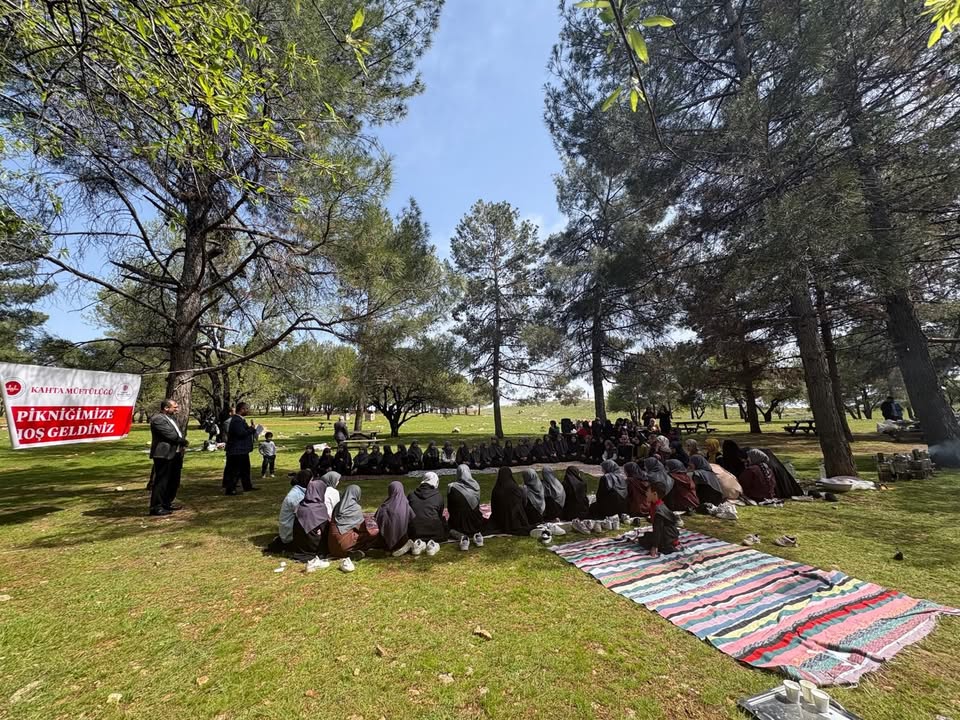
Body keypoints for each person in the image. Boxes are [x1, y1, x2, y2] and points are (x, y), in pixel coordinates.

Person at [148, 399, 188, 516]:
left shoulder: (171, 419)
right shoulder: (158, 419)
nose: (177, 409)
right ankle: (156, 507)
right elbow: (171, 435)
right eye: (174, 407)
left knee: (173, 480)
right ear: (166, 408)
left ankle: (167, 503)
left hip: (175, 454)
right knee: (162, 481)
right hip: (163, 454)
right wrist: (183, 441)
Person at [266, 469, 311, 553]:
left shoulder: (299, 491)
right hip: (289, 535)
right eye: (311, 480)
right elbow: (305, 516)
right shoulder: (296, 496)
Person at [328, 485, 378, 559]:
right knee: (369, 535)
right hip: (344, 544)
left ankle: (350, 553)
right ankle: (354, 550)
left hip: (332, 546)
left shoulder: (337, 506)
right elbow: (362, 528)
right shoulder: (355, 508)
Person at [635, 479, 680, 557]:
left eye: (648, 491)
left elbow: (657, 530)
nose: (646, 493)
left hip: (667, 536)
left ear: (654, 494)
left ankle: (666, 547)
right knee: (645, 535)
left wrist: (654, 546)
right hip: (668, 533)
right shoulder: (657, 504)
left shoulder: (658, 511)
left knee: (644, 540)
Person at [291, 473, 330, 560]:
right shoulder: (319, 508)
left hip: (299, 546)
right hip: (314, 547)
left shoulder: (300, 506)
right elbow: (324, 530)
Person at [223, 402, 257, 495]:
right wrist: (252, 429)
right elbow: (241, 433)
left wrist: (250, 429)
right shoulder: (236, 420)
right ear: (241, 409)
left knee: (245, 470)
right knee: (235, 471)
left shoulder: (240, 420)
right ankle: (230, 489)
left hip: (242, 450)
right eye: (246, 409)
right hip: (236, 450)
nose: (248, 410)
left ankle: (247, 486)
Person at [375, 481, 416, 555]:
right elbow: (412, 521)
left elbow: (378, 521)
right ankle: (401, 546)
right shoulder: (406, 505)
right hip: (402, 540)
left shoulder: (383, 507)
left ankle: (389, 549)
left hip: (385, 543)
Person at [407, 472, 447, 547]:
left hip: (414, 533)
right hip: (436, 533)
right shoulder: (438, 496)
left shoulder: (411, 495)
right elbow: (439, 515)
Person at [448, 465, 485, 545]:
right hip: (475, 521)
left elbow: (450, 509)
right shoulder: (476, 485)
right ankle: (476, 535)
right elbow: (476, 506)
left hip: (458, 523)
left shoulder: (452, 487)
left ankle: (459, 534)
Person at [488, 467, 531, 535]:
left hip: (500, 520)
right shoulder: (515, 487)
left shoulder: (496, 489)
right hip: (516, 520)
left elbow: (494, 507)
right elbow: (522, 502)